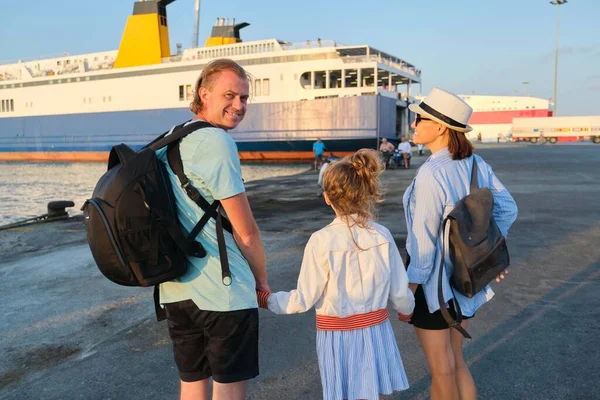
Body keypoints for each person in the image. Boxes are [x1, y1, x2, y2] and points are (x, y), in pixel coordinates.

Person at [257, 149, 415, 400]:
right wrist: (406, 310)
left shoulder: (321, 240)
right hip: (376, 329)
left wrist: (268, 300)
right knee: (371, 390)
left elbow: (304, 298)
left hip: (338, 335)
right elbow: (399, 291)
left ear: (327, 198)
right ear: (365, 192)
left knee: (346, 391)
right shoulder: (382, 234)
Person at [157, 59, 269, 400]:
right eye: (230, 95)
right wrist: (261, 281)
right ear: (203, 94)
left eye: (245, 98)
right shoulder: (216, 142)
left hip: (176, 290)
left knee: (192, 389)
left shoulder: (168, 141)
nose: (239, 105)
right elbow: (245, 231)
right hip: (223, 293)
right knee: (229, 393)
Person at [400, 87, 517, 400]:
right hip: (465, 278)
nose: (413, 125)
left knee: (441, 371)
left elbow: (423, 248)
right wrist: (485, 251)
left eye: (418, 118)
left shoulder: (430, 175)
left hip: (433, 286)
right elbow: (508, 209)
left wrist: (406, 293)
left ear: (439, 127)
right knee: (456, 362)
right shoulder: (476, 164)